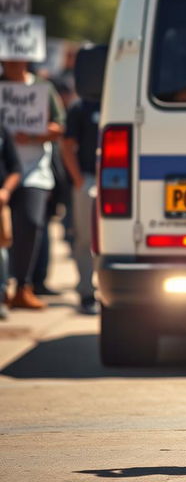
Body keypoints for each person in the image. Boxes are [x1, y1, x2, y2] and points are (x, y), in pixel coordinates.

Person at [1, 60, 65, 310]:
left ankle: (23, 286)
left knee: (30, 222)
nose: (11, 65)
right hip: (3, 170)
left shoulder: (43, 88)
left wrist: (33, 136)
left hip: (34, 172)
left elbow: (59, 127)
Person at [60, 96, 100, 314]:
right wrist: (79, 181)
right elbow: (67, 145)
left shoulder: (126, 97)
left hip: (125, 179)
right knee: (85, 239)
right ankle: (86, 292)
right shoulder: (80, 107)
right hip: (88, 179)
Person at [0, 125, 22, 320]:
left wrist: (5, 191)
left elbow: (15, 169)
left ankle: (1, 296)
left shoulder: (3, 131)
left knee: (1, 252)